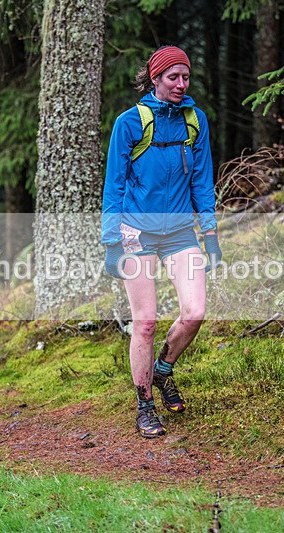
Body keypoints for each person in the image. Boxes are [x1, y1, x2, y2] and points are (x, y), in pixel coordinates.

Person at [101, 46, 222, 438]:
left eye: (186, 77)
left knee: (194, 312)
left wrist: (210, 234)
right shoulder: (129, 123)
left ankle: (163, 369)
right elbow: (114, 186)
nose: (181, 84)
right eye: (173, 77)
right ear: (155, 79)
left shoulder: (195, 121)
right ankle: (145, 405)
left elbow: (202, 182)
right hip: (135, 233)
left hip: (180, 232)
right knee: (146, 322)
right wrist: (111, 242)